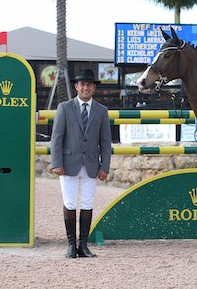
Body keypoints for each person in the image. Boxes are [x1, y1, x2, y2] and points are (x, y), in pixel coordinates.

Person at [51, 69, 112, 258]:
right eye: (82, 84)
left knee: (87, 203)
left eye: (89, 84)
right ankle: (70, 245)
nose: (85, 88)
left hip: (92, 164)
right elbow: (56, 138)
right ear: (76, 86)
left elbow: (106, 141)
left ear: (94, 88)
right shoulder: (64, 107)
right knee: (69, 202)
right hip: (68, 163)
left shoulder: (101, 111)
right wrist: (56, 163)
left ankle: (83, 245)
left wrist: (105, 166)